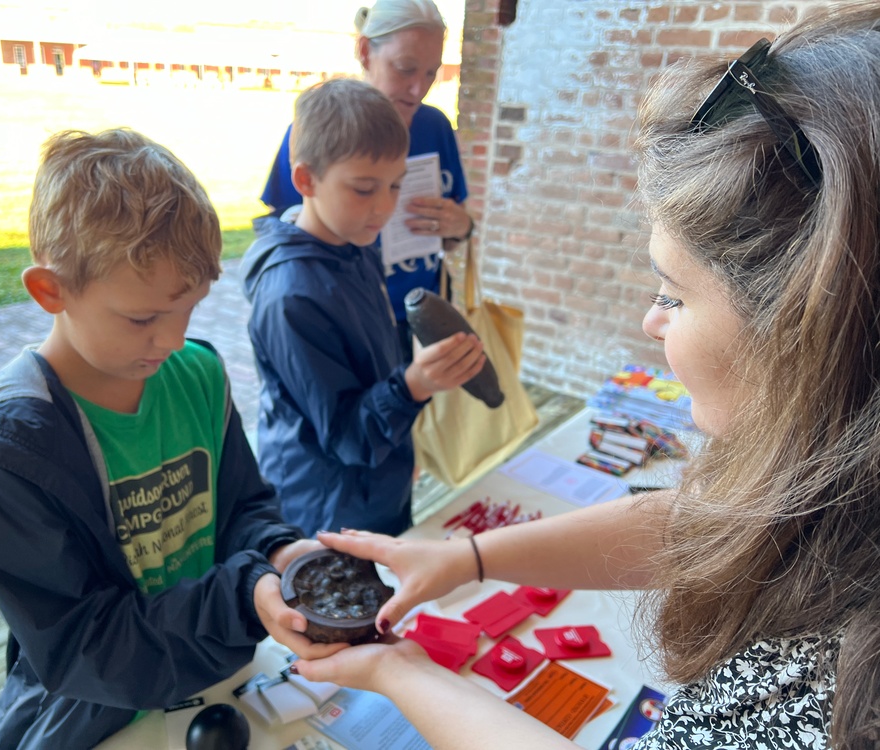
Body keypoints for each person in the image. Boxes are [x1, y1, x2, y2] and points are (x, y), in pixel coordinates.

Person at [291, 5, 880, 748]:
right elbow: (708, 523)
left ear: (807, 325)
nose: (651, 321)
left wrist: (400, 672)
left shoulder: (841, 683)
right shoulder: (836, 489)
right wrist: (467, 556)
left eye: (672, 292)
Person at [0, 128, 341, 749]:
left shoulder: (198, 375)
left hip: (217, 674)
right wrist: (241, 595)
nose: (173, 340)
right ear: (51, 290)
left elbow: (242, 504)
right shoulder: (11, 452)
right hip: (91, 712)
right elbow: (83, 643)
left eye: (189, 308)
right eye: (142, 318)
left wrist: (275, 552)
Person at [241, 78, 485, 538]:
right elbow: (345, 435)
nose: (384, 208)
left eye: (395, 186)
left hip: (376, 479)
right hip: (325, 511)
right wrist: (415, 384)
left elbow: (373, 368)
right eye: (363, 188)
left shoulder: (356, 243)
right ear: (305, 180)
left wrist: (400, 445)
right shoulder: (291, 296)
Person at [260, 0, 473, 362]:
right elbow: (276, 231)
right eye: (405, 69)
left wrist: (460, 226)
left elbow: (455, 224)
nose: (418, 88)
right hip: (347, 321)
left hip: (423, 313)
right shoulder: (318, 130)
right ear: (364, 51)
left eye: (431, 73)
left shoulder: (434, 126)